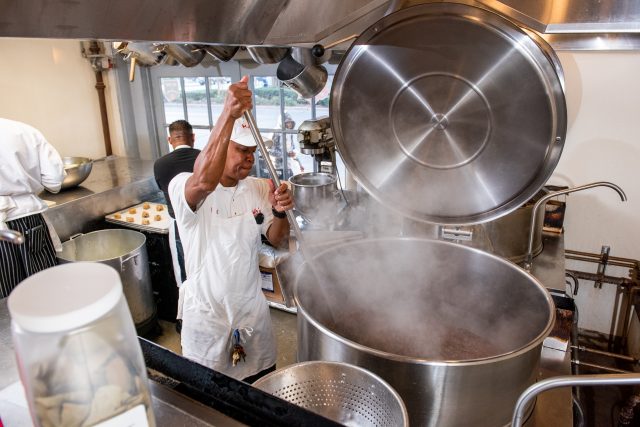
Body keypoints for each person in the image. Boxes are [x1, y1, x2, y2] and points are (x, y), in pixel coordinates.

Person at [168, 76, 294, 382]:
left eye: (253, 152)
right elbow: (204, 182)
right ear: (223, 148)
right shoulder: (183, 185)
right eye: (242, 151)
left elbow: (278, 241)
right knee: (209, 406)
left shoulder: (256, 188)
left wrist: (280, 211)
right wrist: (229, 113)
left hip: (252, 314)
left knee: (259, 395)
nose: (250, 159)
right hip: (207, 322)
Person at [0, 118, 65, 298]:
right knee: (43, 293)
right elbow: (54, 180)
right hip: (26, 222)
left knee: (5, 304)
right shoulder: (23, 131)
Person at [153, 120, 200, 283]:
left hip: (178, 223)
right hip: (205, 219)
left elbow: (161, 187)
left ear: (170, 140)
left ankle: (188, 305)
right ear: (193, 137)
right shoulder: (205, 159)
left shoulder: (160, 164)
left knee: (184, 271)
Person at [271, 113, 304, 177]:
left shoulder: (289, 133)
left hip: (288, 166)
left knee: (290, 183)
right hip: (277, 168)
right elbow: (270, 151)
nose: (289, 124)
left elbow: (292, 149)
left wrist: (300, 164)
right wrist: (286, 154)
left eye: (290, 122)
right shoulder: (276, 133)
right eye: (287, 122)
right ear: (282, 122)